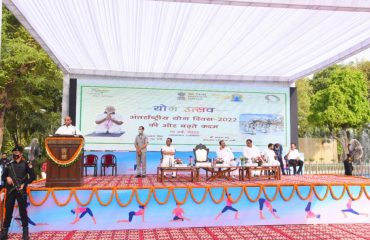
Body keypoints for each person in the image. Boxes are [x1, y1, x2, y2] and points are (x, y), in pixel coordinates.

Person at [0, 146, 36, 240]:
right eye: (14, 153)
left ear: (21, 154)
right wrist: (6, 178)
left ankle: (25, 233)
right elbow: (3, 177)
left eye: (17, 153)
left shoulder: (26, 164)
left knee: (22, 212)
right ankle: (4, 232)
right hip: (11, 191)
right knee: (8, 212)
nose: (15, 154)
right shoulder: (9, 164)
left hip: (21, 191)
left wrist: (25, 184)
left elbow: (33, 177)